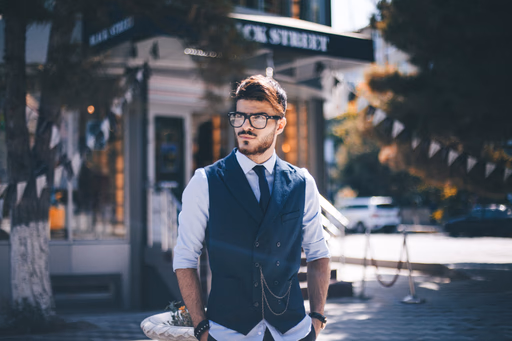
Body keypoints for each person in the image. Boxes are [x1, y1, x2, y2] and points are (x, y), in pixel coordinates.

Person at [174, 75, 330, 341]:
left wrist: (316, 320)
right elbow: (186, 258)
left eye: (258, 118)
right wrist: (201, 328)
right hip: (227, 334)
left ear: (280, 124)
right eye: (240, 116)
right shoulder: (205, 182)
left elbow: (318, 254)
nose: (245, 126)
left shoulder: (302, 182)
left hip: (293, 333)